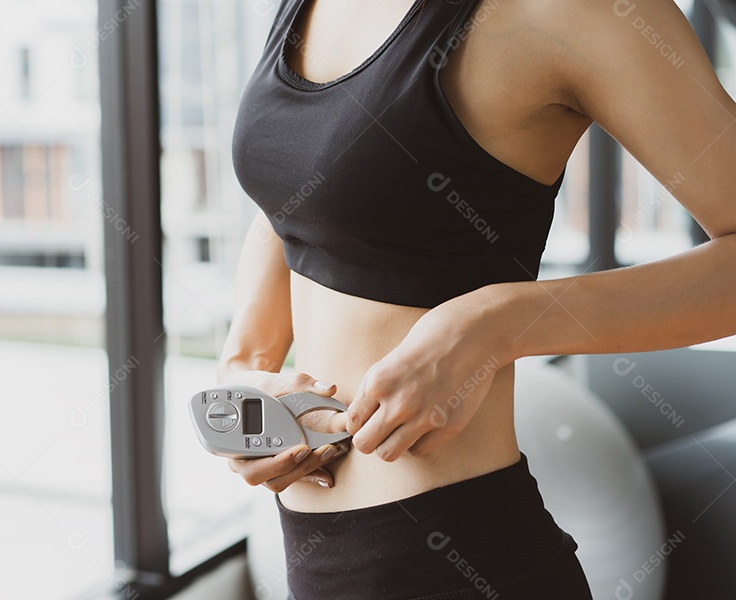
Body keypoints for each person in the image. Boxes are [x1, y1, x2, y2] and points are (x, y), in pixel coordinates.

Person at [218, 0, 736, 597]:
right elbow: (298, 197)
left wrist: (498, 322)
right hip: (318, 569)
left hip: (457, 563)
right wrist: (245, 379)